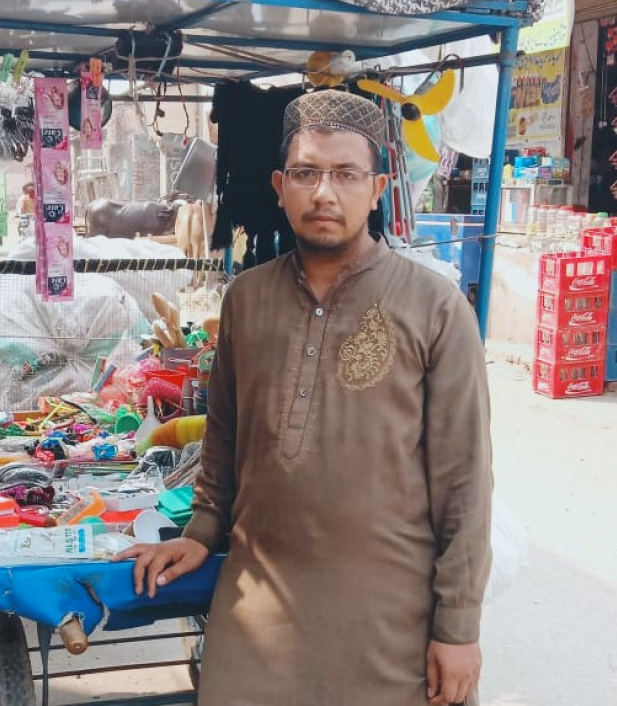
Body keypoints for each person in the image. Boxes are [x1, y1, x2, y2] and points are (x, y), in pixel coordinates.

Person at [115, 89, 492, 706]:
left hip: (390, 625)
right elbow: (225, 441)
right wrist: (201, 530)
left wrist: (459, 627)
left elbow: (466, 484)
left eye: (346, 174)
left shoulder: (435, 308)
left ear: (378, 187)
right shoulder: (247, 299)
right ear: (277, 185)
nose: (324, 193)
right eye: (306, 173)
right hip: (257, 615)